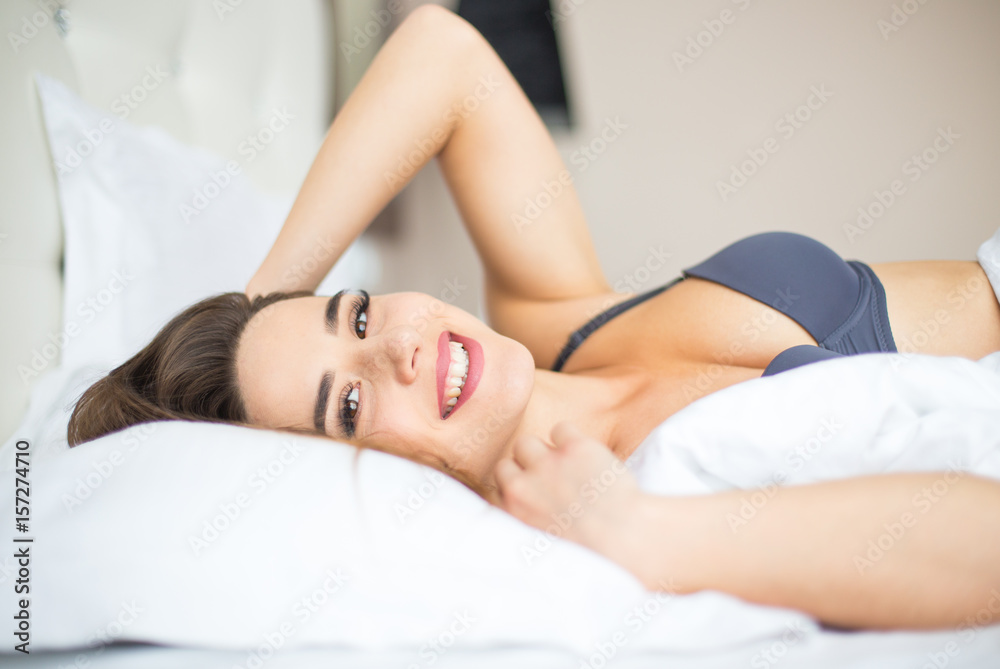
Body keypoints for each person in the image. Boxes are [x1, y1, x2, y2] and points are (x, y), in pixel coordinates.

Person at [67, 5, 1000, 631]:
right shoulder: (624, 503)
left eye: (353, 315)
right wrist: (640, 533)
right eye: (345, 408)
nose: (396, 344)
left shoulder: (562, 320)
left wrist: (262, 304)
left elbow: (444, 49)